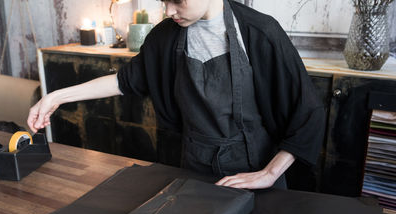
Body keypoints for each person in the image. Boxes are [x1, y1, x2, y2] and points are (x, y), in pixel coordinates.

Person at [28, 0, 325, 190]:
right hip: (193, 169)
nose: (169, 10)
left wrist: (270, 174)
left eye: (177, 1)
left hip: (256, 170)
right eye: (163, 0)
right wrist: (55, 97)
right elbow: (124, 81)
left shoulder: (259, 32)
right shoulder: (164, 36)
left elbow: (308, 112)